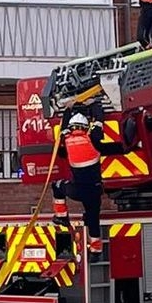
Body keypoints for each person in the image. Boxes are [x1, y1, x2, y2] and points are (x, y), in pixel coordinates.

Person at [51, 99, 107, 259]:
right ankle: (96, 252)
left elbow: (63, 128)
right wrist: (95, 104)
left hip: (76, 190)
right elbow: (99, 121)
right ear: (85, 127)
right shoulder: (93, 140)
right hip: (94, 191)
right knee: (93, 218)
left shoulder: (67, 140)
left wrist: (69, 109)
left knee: (56, 186)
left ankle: (61, 216)